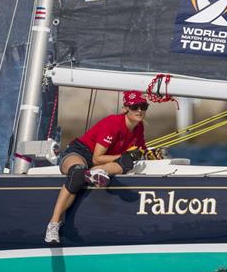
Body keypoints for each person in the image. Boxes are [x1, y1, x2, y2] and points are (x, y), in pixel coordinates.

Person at [45, 90, 150, 244]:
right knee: (77, 174)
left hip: (99, 164)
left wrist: (150, 155)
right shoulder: (113, 123)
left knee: (127, 164)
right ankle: (53, 224)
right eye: (135, 107)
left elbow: (141, 151)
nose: (140, 111)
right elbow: (97, 157)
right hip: (80, 153)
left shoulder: (139, 128)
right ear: (125, 108)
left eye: (143, 106)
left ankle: (93, 173)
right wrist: (122, 156)